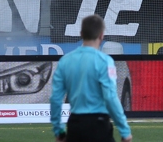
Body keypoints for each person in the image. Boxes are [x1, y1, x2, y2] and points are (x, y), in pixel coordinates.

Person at [51, 14, 131, 142]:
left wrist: (59, 131)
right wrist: (124, 130)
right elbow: (110, 97)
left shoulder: (65, 61)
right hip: (99, 124)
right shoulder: (105, 61)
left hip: (76, 125)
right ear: (101, 35)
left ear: (81, 34)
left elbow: (55, 99)